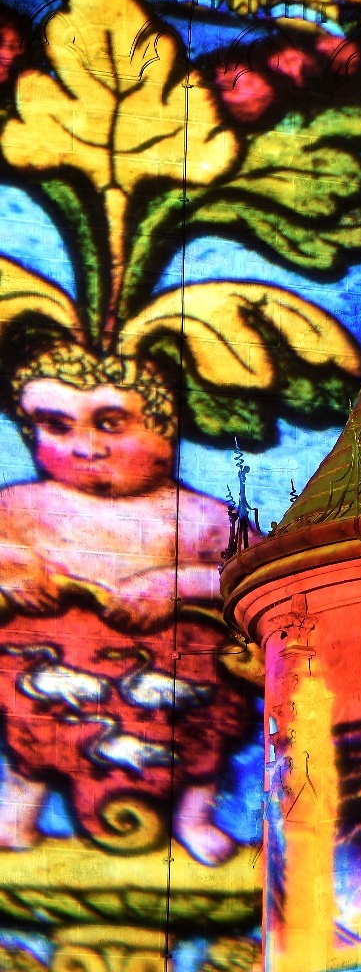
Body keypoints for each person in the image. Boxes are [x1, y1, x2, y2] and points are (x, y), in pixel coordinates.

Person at [0, 348, 254, 865]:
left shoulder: (200, 516)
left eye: (111, 423)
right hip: (58, 664)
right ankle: (21, 807)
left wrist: (176, 585)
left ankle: (194, 817)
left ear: (163, 427)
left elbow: (255, 574)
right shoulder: (21, 506)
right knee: (34, 727)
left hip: (172, 674)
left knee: (205, 732)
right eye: (56, 426)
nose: (86, 447)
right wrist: (15, 575)